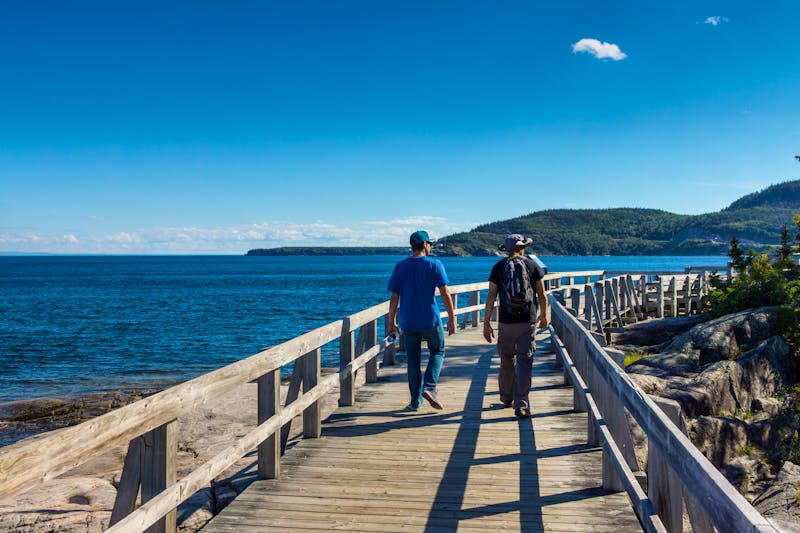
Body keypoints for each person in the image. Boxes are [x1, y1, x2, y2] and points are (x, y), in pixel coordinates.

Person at [387, 230, 456, 411]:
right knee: (438, 351)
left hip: (408, 322)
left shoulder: (400, 266)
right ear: (425, 245)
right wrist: (452, 317)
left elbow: (394, 297)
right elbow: (445, 292)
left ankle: (415, 402)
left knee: (413, 361)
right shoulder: (434, 264)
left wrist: (391, 322)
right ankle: (430, 387)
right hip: (430, 319)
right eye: (430, 244)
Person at [482, 234, 548, 419]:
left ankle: (506, 397)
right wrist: (543, 315)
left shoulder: (498, 267)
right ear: (522, 248)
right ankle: (521, 404)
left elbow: (491, 296)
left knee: (506, 358)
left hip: (505, 321)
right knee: (525, 362)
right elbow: (542, 294)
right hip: (527, 320)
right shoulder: (532, 265)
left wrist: (486, 323)